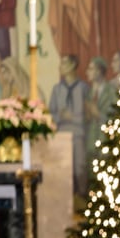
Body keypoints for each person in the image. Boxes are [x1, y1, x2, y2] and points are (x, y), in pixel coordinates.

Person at [49, 54, 90, 193]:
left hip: (78, 133)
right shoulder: (57, 89)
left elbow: (89, 114)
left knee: (80, 166)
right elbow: (51, 112)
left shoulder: (84, 88)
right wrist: (60, 117)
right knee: (64, 167)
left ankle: (83, 197)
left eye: (64, 63)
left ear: (73, 65)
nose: (60, 67)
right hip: (62, 133)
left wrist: (72, 117)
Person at [83, 55, 116, 158]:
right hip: (91, 143)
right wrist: (87, 116)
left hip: (105, 141)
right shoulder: (89, 92)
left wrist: (98, 115)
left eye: (91, 69)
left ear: (99, 71)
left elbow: (116, 117)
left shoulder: (111, 91)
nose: (87, 72)